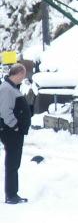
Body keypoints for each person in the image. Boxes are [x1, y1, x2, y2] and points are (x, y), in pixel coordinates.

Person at [0, 63, 32, 204]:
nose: (23, 78)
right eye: (23, 75)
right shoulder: (7, 89)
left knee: (14, 163)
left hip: (14, 132)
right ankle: (11, 195)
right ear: (18, 73)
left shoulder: (12, 88)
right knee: (12, 163)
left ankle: (13, 193)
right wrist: (16, 126)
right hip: (11, 132)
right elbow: (5, 111)